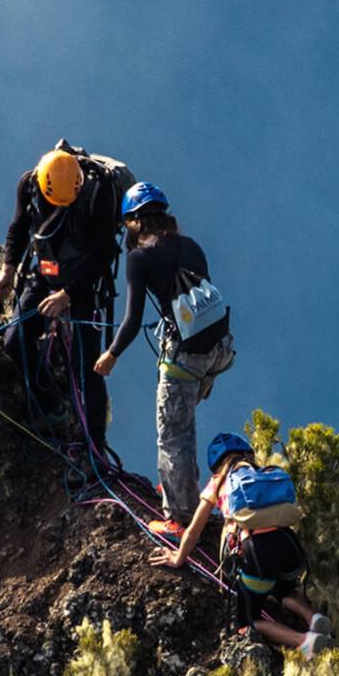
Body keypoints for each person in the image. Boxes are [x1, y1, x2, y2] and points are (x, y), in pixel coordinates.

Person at [93, 183, 234, 535]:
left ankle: (180, 516)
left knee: (174, 433)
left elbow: (132, 319)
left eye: (128, 222)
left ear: (136, 221)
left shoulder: (139, 258)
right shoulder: (192, 247)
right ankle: (180, 487)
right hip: (221, 348)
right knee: (183, 419)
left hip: (187, 357)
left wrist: (111, 354)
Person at [149, 433, 332, 657]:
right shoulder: (263, 474)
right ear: (248, 453)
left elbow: (195, 530)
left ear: (216, 465)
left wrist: (178, 558)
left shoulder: (218, 482)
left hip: (257, 554)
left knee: (248, 621)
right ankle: (314, 618)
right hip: (289, 547)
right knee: (285, 587)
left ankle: (305, 641)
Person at [0, 146, 121, 452]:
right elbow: (19, 228)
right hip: (47, 270)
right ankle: (49, 404)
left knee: (87, 367)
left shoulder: (95, 195)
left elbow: (104, 254)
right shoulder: (30, 186)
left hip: (84, 283)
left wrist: (68, 294)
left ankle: (95, 444)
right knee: (15, 341)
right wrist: (8, 270)